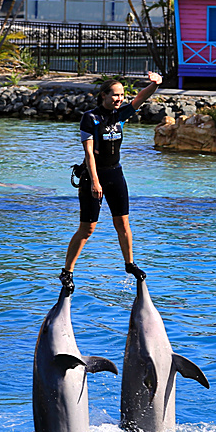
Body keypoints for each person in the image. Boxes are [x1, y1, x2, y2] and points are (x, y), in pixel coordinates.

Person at [59, 71, 163, 293]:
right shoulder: (91, 117)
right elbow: (89, 154)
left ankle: (129, 264)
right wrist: (96, 182)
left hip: (116, 174)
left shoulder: (121, 114)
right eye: (115, 95)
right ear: (104, 95)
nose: (120, 99)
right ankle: (67, 271)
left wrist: (155, 84)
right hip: (93, 176)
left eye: (122, 95)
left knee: (123, 224)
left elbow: (141, 98)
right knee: (87, 229)